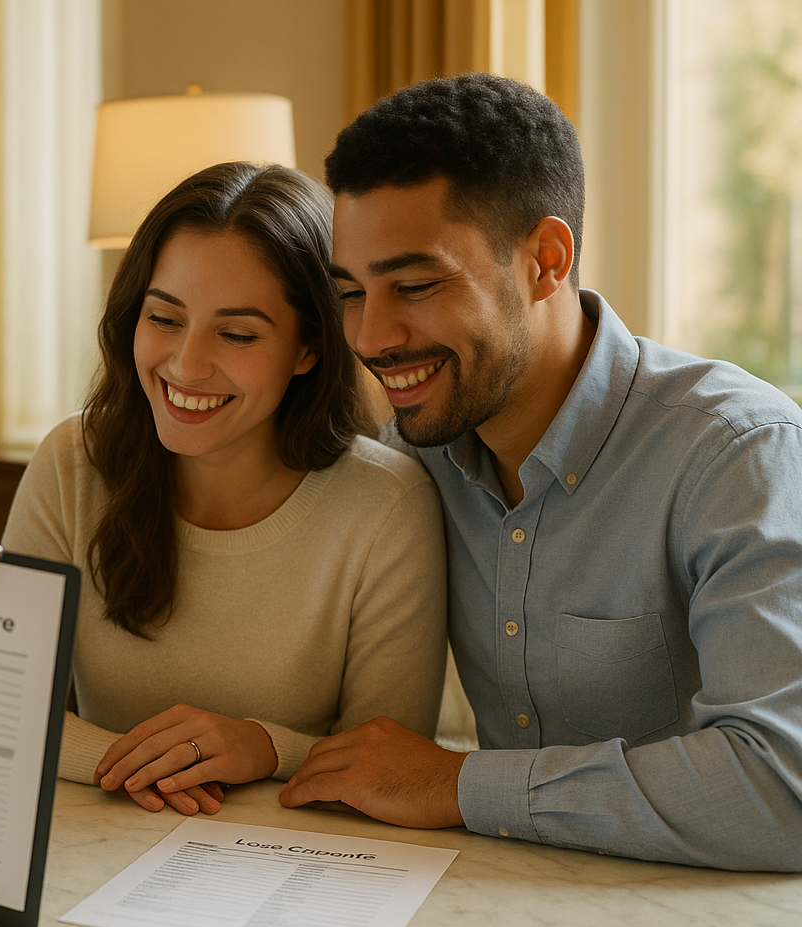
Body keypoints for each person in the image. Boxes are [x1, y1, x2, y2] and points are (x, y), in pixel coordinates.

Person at [280, 72, 802, 872]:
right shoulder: (409, 463)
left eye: (415, 286)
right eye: (352, 292)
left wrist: (461, 786)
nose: (373, 336)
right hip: (512, 915)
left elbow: (781, 786)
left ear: (546, 261)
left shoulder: (737, 453)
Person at [2, 161, 447, 816]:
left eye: (236, 334)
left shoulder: (388, 505)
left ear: (309, 350)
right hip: (99, 840)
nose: (186, 365)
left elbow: (390, 757)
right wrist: (146, 767)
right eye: (164, 318)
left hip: (299, 861)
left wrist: (264, 747)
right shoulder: (73, 461)